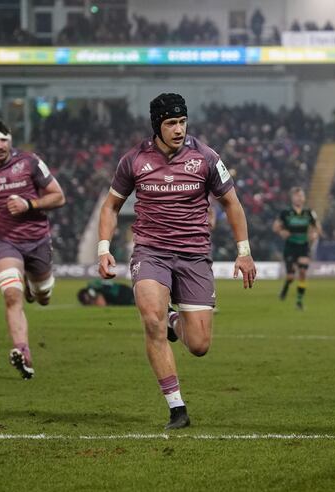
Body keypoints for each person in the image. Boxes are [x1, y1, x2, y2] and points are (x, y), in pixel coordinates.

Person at [97, 93, 256, 430]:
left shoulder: (207, 158)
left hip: (194, 256)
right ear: (157, 125)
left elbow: (232, 204)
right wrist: (103, 248)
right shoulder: (134, 160)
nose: (179, 129)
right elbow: (111, 206)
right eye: (171, 123)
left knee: (198, 345)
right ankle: (176, 408)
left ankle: (174, 322)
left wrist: (243, 252)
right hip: (150, 252)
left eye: (182, 122)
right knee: (150, 319)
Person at [0, 120, 66, 379]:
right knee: (11, 296)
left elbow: (58, 196)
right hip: (3, 241)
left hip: (37, 240)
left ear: (10, 140)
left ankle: (33, 285)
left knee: (43, 296)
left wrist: (29, 204)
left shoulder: (29, 162)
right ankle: (23, 352)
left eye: (3, 140)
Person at [272, 187, 320, 310]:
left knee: (303, 272)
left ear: (304, 198)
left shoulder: (309, 212)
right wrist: (282, 231)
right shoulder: (286, 213)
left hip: (304, 245)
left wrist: (315, 234)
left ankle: (299, 302)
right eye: (297, 196)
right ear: (292, 198)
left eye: (301, 196)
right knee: (291, 276)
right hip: (291, 246)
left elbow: (317, 227)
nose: (299, 198)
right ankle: (285, 288)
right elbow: (276, 227)